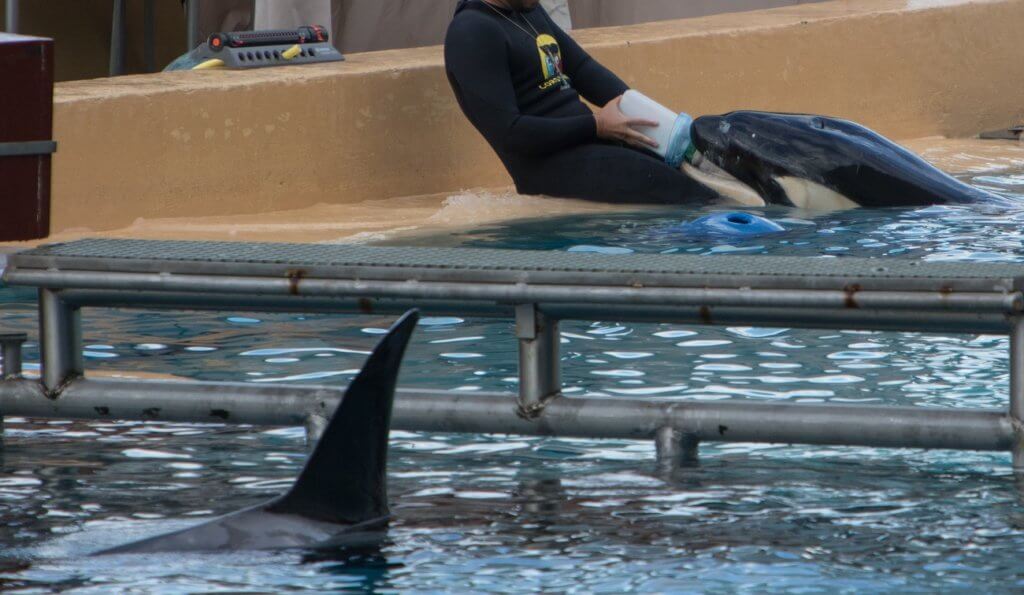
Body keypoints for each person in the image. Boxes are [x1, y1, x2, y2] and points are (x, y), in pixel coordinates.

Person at [444, 0, 717, 205]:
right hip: (548, 165)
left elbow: (582, 68)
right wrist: (596, 125)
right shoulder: (472, 32)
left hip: (587, 142)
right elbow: (510, 133)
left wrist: (643, 113)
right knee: (686, 195)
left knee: (699, 173)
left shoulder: (526, 11)